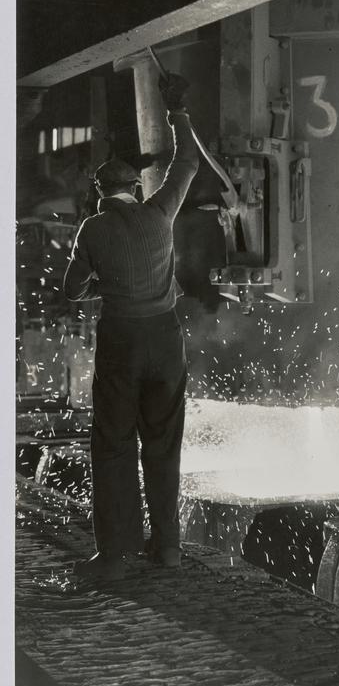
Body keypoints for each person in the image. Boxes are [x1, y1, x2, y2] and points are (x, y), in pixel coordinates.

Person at [64, 72, 200, 580]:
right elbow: (187, 162)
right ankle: (167, 549)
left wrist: (105, 287)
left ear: (99, 193)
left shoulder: (92, 229)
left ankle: (115, 556)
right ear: (135, 187)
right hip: (166, 340)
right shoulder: (161, 213)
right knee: (163, 444)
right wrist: (176, 110)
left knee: (115, 444)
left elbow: (71, 291)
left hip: (122, 341)